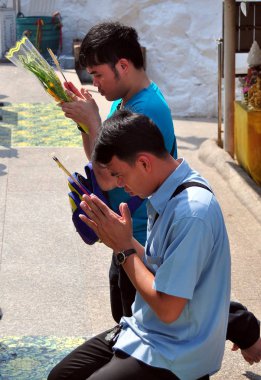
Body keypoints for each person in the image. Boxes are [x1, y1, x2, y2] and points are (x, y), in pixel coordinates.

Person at [60, 21, 260, 365]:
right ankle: (245, 332)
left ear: (123, 65)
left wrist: (93, 123)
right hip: (135, 231)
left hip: (138, 230)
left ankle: (243, 332)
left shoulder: (146, 108)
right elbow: (104, 163)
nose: (95, 83)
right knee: (176, 298)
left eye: (98, 74)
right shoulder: (127, 101)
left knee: (170, 302)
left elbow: (107, 177)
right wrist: (88, 123)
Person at [48, 110, 231, 380]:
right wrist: (118, 236)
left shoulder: (193, 212)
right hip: (146, 331)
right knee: (61, 376)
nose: (119, 185)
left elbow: (168, 308)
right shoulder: (167, 189)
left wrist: (124, 249)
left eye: (119, 174)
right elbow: (158, 268)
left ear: (144, 163)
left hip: (177, 352)